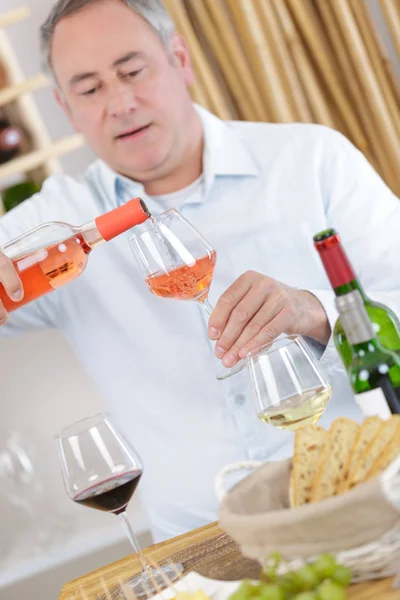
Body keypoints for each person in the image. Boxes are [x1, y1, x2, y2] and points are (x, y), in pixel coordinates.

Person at [0, 0, 399, 542]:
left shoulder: (311, 160)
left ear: (179, 60)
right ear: (67, 109)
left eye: (132, 71)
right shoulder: (55, 228)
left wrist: (316, 311)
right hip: (200, 550)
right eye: (90, 89)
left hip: (369, 502)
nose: (120, 102)